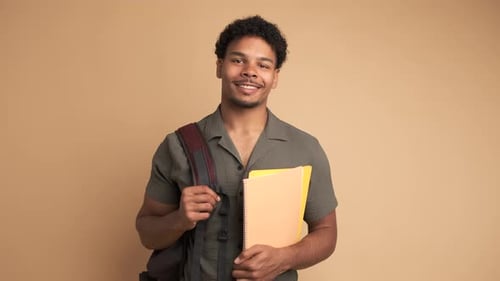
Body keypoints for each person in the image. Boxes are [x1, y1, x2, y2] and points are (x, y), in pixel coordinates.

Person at [136, 15, 338, 281]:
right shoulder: (177, 146)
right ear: (220, 66)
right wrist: (180, 219)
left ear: (275, 77)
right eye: (238, 60)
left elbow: (326, 233)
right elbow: (147, 232)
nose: (250, 71)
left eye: (263, 65)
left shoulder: (305, 148)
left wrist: (284, 258)